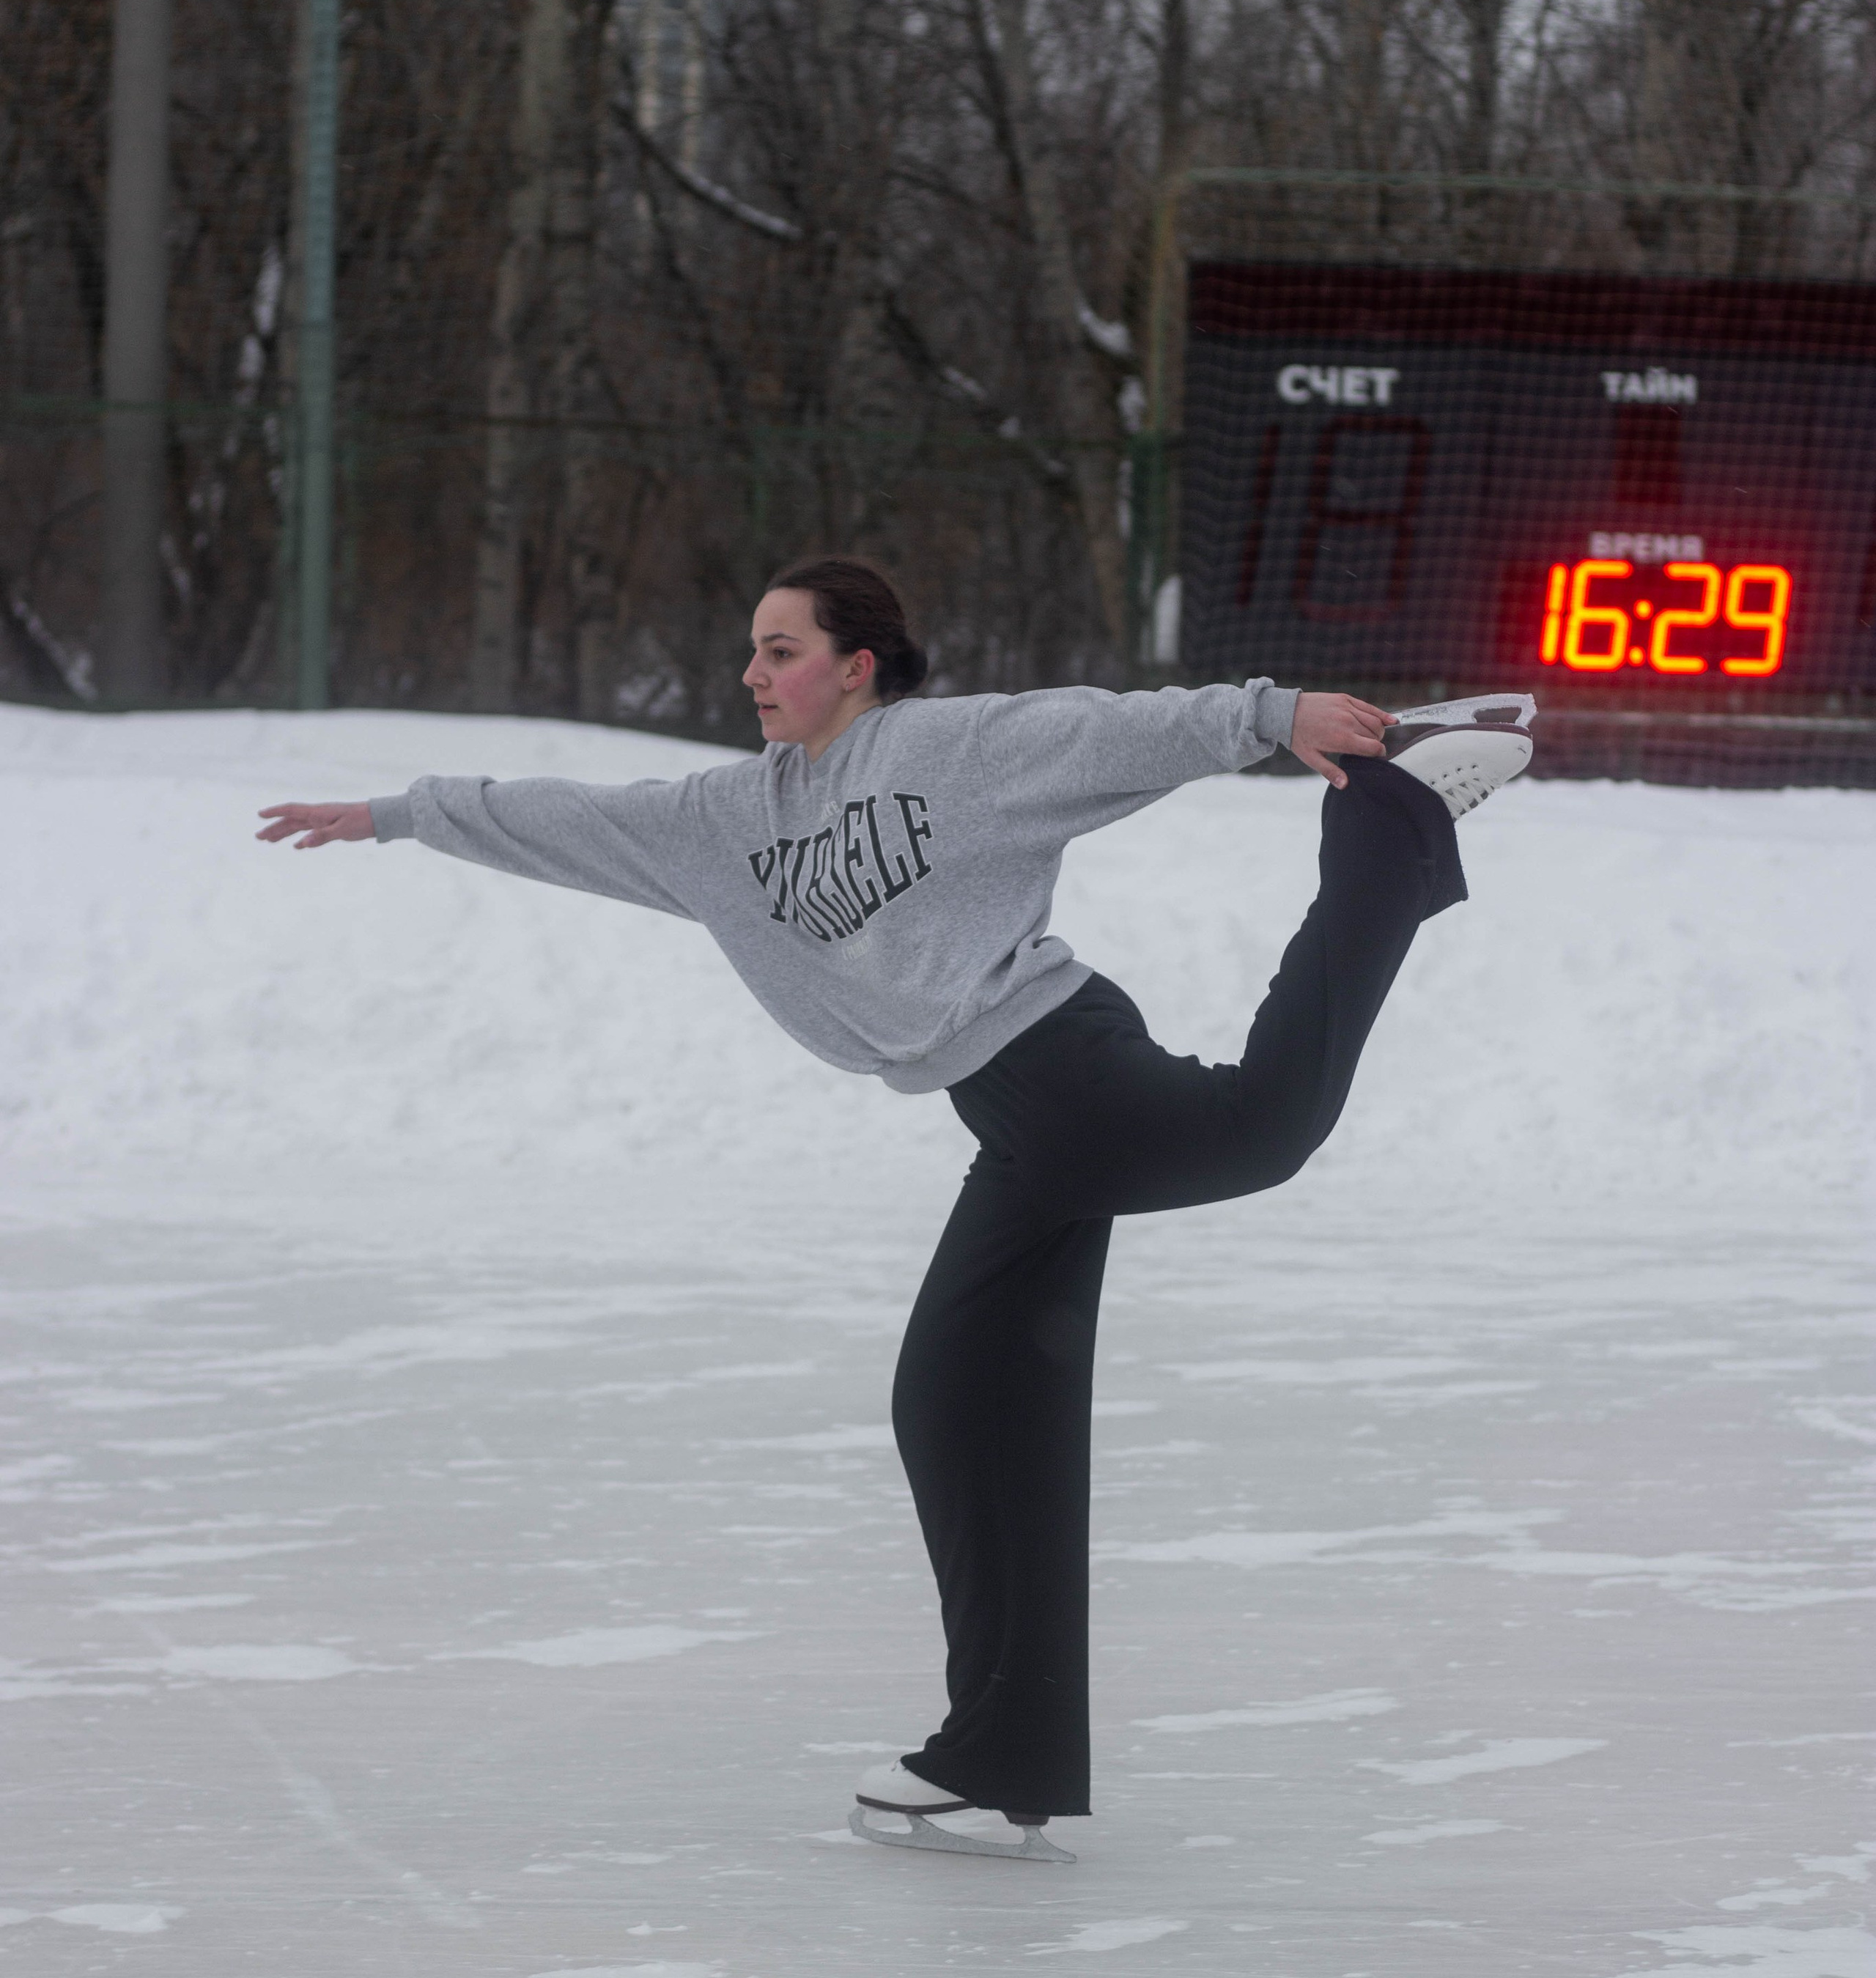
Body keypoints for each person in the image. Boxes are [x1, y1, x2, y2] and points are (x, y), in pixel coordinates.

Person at [258, 556, 1532, 1855]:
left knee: (1260, 1128)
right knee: (960, 1403)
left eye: (782, 650)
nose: (754, 675)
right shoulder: (724, 821)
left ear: (856, 665)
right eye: (752, 651)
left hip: (1063, 1074)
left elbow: (1109, 730)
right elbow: (572, 818)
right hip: (1013, 1123)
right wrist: (402, 814)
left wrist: (1271, 713)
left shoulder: (947, 751)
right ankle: (1008, 1750)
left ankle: (1397, 805)